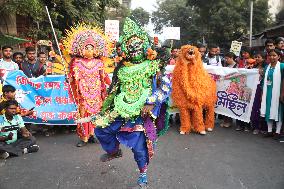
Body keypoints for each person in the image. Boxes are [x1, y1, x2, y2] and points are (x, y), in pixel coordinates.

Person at [92, 18, 171, 187]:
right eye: (130, 46)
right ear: (124, 49)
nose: (134, 49)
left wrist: (151, 101)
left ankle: (143, 173)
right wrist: (104, 110)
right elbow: (114, 91)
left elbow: (165, 86)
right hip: (120, 108)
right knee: (101, 129)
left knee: (139, 146)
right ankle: (114, 151)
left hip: (141, 113)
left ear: (144, 46)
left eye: (137, 45)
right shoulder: (121, 69)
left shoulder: (153, 66)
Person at [63, 23, 111, 147]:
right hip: (83, 93)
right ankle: (84, 136)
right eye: (86, 47)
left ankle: (93, 134)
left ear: (95, 50)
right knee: (83, 114)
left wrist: (111, 85)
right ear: (81, 49)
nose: (89, 50)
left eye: (91, 48)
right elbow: (72, 77)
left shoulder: (99, 62)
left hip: (96, 93)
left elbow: (104, 77)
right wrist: (69, 80)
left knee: (96, 114)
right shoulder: (76, 62)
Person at [261, 49, 283, 140]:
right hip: (268, 92)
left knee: (278, 112)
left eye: (274, 55)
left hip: (278, 92)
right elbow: (264, 81)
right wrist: (262, 92)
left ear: (279, 57)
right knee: (268, 111)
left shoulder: (282, 66)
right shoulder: (267, 67)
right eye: (270, 55)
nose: (272, 57)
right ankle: (269, 131)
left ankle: (277, 132)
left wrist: (282, 94)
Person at [250, 52, 267, 135]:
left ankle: (264, 128)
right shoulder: (254, 66)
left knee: (262, 108)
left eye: (258, 57)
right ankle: (255, 127)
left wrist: (262, 73)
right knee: (255, 108)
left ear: (263, 58)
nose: (256, 58)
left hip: (263, 90)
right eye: (255, 57)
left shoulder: (267, 67)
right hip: (255, 90)